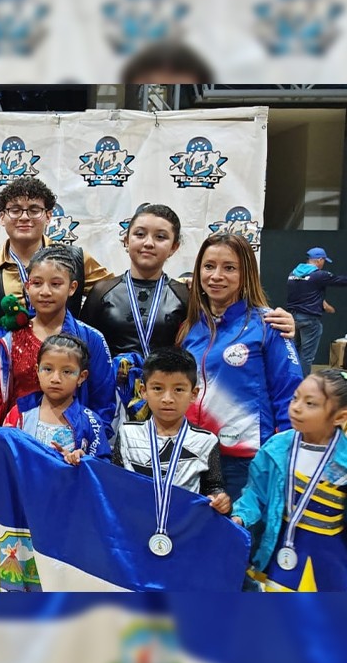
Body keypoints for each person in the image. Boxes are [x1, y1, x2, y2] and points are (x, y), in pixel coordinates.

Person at [81, 204, 294, 422]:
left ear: (174, 247)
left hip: (169, 403)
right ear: (126, 240)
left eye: (161, 237)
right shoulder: (101, 292)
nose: (148, 243)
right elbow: (84, 351)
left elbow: (228, 328)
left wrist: (286, 327)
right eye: (140, 234)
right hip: (111, 403)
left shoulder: (187, 296)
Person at [179, 232, 303, 501]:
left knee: (243, 538)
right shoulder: (191, 328)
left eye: (229, 268)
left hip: (245, 460)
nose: (216, 275)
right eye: (209, 266)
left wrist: (285, 457)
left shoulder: (268, 325)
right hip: (193, 455)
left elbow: (290, 394)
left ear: (245, 273)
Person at [0, 178, 110, 366]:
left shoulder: (75, 259)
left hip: (65, 368)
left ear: (49, 215)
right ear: (2, 217)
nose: (25, 217)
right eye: (15, 210)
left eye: (34, 210)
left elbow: (113, 294)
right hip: (5, 371)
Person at [232, 368, 347, 591]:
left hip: (332, 556)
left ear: (340, 416)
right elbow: (254, 493)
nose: (296, 407)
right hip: (281, 547)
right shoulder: (277, 448)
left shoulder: (343, 460)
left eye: (310, 403)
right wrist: (241, 517)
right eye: (295, 398)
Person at [0, 246, 116, 432]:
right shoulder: (10, 340)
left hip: (73, 450)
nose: (45, 292)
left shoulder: (91, 339)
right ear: (27, 287)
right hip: (19, 443)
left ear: (72, 288)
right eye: (37, 283)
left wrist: (87, 446)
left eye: (55, 284)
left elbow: (103, 405)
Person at [113, 347, 230, 513]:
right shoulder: (127, 433)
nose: (167, 399)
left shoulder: (207, 441)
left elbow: (213, 486)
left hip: (184, 530)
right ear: (143, 391)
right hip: (134, 526)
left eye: (179, 390)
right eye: (158, 388)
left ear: (193, 394)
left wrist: (220, 500)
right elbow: (115, 482)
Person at [3, 333, 111, 465]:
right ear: (37, 371)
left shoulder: (91, 422)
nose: (55, 379)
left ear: (82, 377)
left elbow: (102, 470)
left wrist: (83, 462)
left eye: (66, 372)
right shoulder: (19, 414)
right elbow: (3, 459)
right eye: (48, 369)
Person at [286, 246, 347, 375]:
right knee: (307, 356)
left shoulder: (293, 274)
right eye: (324, 261)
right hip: (309, 320)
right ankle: (302, 385)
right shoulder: (319, 275)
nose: (324, 264)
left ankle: (290, 381)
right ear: (319, 260)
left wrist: (323, 303)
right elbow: (341, 281)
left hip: (293, 319)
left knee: (294, 353)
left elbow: (305, 293)